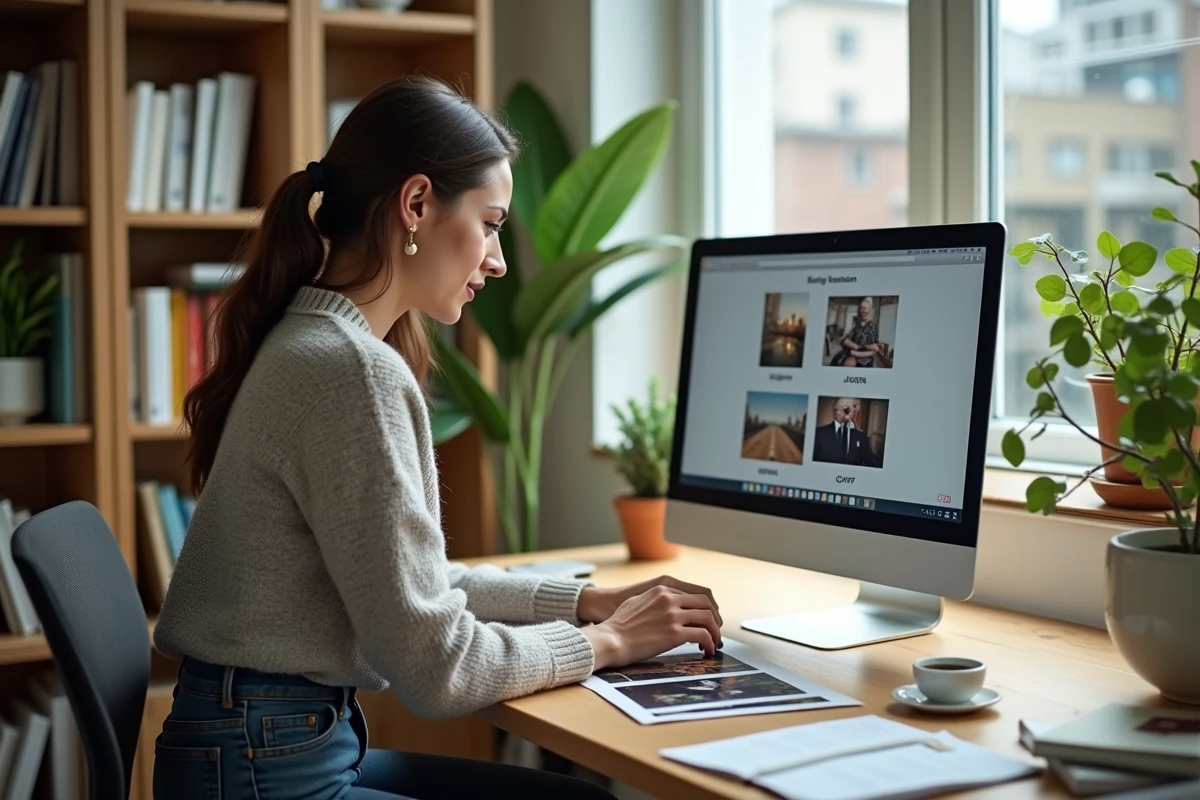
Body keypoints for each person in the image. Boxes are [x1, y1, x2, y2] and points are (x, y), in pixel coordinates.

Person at [150, 76, 723, 800]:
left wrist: (586, 604)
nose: (498, 259)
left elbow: (418, 587)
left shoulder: (313, 339)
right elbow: (437, 667)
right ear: (416, 204)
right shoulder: (349, 371)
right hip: (264, 768)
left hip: (261, 742)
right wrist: (611, 643)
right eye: (489, 223)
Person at [811, 398, 879, 467]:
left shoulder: (860, 436)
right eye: (852, 410)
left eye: (856, 412)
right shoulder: (819, 434)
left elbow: (871, 461)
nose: (854, 415)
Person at [829, 296, 882, 367]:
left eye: (865, 309)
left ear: (870, 310)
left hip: (864, 356)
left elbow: (875, 349)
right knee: (839, 362)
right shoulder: (856, 324)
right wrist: (850, 343)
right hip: (852, 354)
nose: (863, 311)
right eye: (861, 308)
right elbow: (846, 340)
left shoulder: (873, 327)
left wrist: (856, 349)